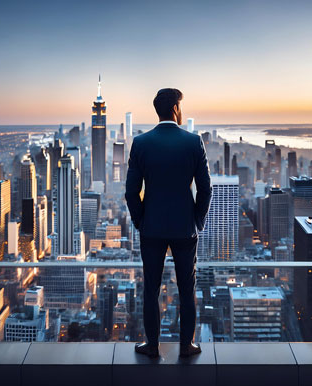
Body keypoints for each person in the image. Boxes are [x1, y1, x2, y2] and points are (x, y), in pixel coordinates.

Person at [125, 88, 212, 358]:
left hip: (151, 228)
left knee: (151, 288)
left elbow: (131, 191)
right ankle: (186, 346)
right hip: (185, 229)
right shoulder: (193, 142)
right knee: (187, 289)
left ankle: (152, 346)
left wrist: (141, 221)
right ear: (176, 108)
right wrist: (196, 220)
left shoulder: (141, 143)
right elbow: (206, 189)